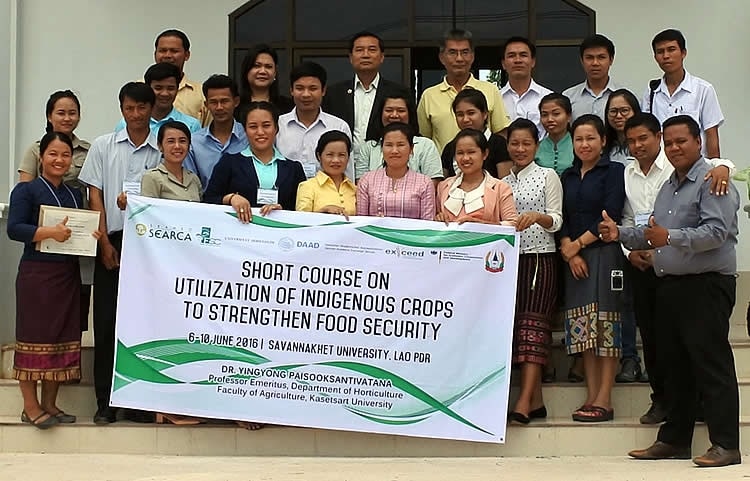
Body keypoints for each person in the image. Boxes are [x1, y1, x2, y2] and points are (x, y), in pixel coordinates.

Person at [601, 115, 741, 468]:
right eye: (671, 142)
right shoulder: (670, 186)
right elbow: (653, 232)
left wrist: (671, 238)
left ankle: (726, 444)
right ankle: (674, 440)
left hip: (706, 285)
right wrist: (620, 234)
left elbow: (716, 233)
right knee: (675, 366)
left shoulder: (712, 181)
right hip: (671, 285)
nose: (675, 148)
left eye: (682, 141)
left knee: (711, 364)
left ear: (698, 142)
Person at [78, 82, 162, 425]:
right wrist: (104, 245)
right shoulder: (103, 145)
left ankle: (141, 402)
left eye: (142, 107)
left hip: (152, 248)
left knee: (146, 324)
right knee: (108, 323)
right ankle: (105, 402)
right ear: (122, 109)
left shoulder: (162, 147)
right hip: (112, 240)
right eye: (130, 108)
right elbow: (94, 195)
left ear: (151, 108)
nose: (136, 114)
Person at [7, 132, 100, 429]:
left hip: (67, 274)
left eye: (65, 155)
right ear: (41, 157)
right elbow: (15, 229)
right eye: (53, 154)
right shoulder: (26, 190)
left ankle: (50, 404)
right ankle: (30, 406)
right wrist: (49, 233)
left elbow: (81, 229)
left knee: (61, 337)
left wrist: (92, 235)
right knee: (33, 338)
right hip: (37, 274)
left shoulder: (74, 194)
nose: (59, 160)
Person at [559, 114, 625, 422]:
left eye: (590, 138)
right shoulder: (567, 176)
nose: (584, 144)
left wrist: (579, 244)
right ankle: (590, 394)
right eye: (578, 139)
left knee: (606, 325)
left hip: (606, 254)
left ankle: (606, 399)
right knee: (582, 326)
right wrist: (570, 252)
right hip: (576, 260)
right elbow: (561, 218)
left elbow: (610, 213)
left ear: (603, 141)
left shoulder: (614, 171)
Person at [17, 90, 93, 334]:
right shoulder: (33, 155)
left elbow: (91, 197)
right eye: (61, 112)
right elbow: (20, 213)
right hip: (40, 256)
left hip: (71, 255)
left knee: (72, 323)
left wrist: (92, 231)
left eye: (72, 113)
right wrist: (48, 231)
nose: (67, 118)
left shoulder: (87, 152)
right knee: (37, 325)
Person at [502, 119, 562, 424]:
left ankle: (524, 401)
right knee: (516, 331)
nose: (520, 149)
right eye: (515, 143)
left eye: (526, 143)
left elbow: (558, 220)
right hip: (510, 261)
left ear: (536, 146)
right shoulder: (502, 181)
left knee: (533, 328)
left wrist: (539, 217)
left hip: (540, 258)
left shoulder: (547, 176)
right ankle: (536, 400)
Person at [205, 101, 306, 224]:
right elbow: (209, 199)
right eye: (253, 126)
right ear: (245, 130)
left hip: (281, 236)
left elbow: (303, 210)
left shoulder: (294, 169)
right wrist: (231, 198)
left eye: (266, 125)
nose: (260, 132)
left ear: (276, 128)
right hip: (238, 236)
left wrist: (283, 212)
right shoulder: (229, 163)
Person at [417, 29, 510, 152]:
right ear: (442, 58)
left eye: (465, 52)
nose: (459, 58)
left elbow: (501, 133)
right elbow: (424, 140)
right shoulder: (429, 96)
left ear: (472, 56)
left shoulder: (490, 90)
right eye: (452, 52)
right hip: (444, 168)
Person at [323, 31, 411, 159]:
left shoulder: (398, 92)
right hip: (342, 162)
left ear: (382, 57)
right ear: (351, 57)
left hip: (382, 161)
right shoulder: (334, 93)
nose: (365, 55)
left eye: (372, 50)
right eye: (359, 50)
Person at [641, 29, 723, 158]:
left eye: (671, 49)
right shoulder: (652, 91)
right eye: (660, 52)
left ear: (683, 53)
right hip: (660, 168)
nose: (666, 56)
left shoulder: (703, 89)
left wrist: (715, 166)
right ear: (655, 57)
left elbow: (711, 135)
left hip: (694, 166)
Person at [276, 62, 354, 181]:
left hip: (326, 197)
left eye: (313, 88)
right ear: (291, 90)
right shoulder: (278, 125)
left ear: (323, 90)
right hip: (285, 196)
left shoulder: (339, 126)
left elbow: (347, 173)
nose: (306, 94)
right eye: (299, 88)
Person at [356, 91, 442, 184]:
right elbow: (361, 185)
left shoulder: (426, 145)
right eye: (389, 110)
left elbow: (433, 183)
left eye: (401, 111)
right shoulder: (368, 148)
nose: (394, 115)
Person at [436, 128, 517, 225]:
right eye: (460, 153)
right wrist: (438, 218)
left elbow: (513, 224)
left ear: (485, 154)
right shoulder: (444, 186)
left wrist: (481, 225)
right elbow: (434, 218)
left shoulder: (501, 188)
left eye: (471, 152)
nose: (465, 158)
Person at [357, 122, 435, 220]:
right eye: (389, 145)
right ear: (382, 148)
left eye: (400, 145)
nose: (394, 151)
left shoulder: (424, 183)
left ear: (411, 148)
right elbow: (360, 222)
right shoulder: (367, 180)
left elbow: (427, 225)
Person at [184, 74, 248, 189]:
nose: (219, 107)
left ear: (236, 102)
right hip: (206, 205)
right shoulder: (194, 142)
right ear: (206, 105)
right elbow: (191, 185)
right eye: (213, 102)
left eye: (224, 101)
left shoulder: (249, 137)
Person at [441, 89, 511, 179]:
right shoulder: (450, 148)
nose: (465, 119)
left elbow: (506, 183)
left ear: (485, 114)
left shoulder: (499, 144)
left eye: (471, 113)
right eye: (460, 114)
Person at [116, 63, 201, 135]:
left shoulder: (191, 125)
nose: (165, 93)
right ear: (148, 88)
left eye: (170, 88)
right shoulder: (125, 124)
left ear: (177, 88)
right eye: (158, 88)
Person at [500, 37, 552, 138]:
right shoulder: (495, 99)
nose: (518, 60)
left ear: (533, 62)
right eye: (511, 56)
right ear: (503, 64)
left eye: (523, 55)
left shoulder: (548, 97)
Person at [153, 29, 208, 126]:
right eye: (162, 51)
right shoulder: (140, 88)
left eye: (174, 51)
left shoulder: (202, 93)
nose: (167, 55)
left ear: (187, 55)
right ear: (155, 54)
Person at [296, 130, 356, 216]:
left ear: (348, 157)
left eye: (341, 155)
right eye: (330, 155)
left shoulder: (354, 189)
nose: (336, 160)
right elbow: (300, 221)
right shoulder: (307, 187)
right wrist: (323, 212)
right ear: (319, 156)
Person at [563, 34, 622, 121]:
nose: (595, 63)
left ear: (611, 60)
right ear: (582, 61)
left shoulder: (625, 96)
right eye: (589, 58)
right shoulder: (568, 97)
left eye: (601, 57)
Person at [141, 121, 202, 202]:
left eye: (182, 141)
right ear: (160, 146)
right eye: (171, 141)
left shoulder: (194, 179)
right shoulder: (152, 177)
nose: (177, 146)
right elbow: (148, 212)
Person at [236, 44, 294, 120]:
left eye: (268, 67)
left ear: (275, 72)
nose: (263, 71)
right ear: (246, 70)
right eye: (257, 66)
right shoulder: (235, 107)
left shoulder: (289, 107)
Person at [536, 93, 574, 176]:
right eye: (544, 115)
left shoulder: (578, 145)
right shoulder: (536, 147)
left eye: (556, 114)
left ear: (569, 116)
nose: (550, 119)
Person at [604, 89, 641, 166]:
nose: (618, 116)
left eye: (624, 110)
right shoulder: (603, 145)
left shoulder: (643, 144)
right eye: (613, 111)